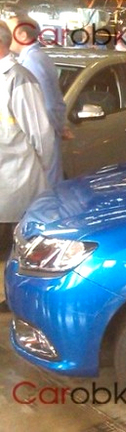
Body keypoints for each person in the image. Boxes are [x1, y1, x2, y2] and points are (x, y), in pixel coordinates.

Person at [0, 21, 55, 312]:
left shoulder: (18, 79)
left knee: (15, 247)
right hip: (6, 180)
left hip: (17, 178)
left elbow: (41, 134)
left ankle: (15, 300)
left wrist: (41, 167)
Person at [7, 14, 66, 185]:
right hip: (45, 135)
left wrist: (58, 127)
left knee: (48, 188)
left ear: (23, 35)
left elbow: (47, 103)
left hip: (44, 138)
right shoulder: (33, 58)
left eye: (8, 31)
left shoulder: (33, 61)